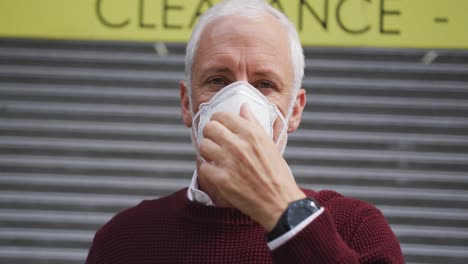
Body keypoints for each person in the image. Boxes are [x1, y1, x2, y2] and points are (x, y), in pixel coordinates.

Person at [86, 0, 404, 263]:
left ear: (294, 110)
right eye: (217, 81)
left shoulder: (355, 228)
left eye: (264, 85)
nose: (240, 106)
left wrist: (287, 214)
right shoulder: (124, 239)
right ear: (187, 103)